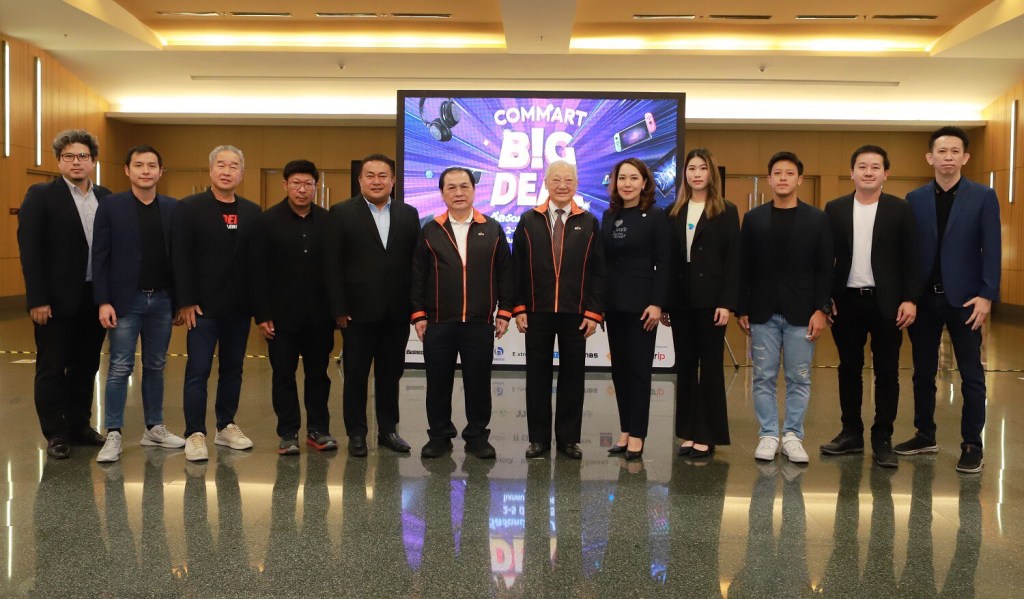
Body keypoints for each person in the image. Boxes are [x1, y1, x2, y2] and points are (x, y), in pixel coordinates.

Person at [896, 126, 1001, 474]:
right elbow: (910, 253)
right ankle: (924, 434)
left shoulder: (983, 196)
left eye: (955, 151)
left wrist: (987, 295)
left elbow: (992, 249)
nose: (948, 157)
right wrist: (908, 296)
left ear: (965, 157)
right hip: (925, 299)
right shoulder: (915, 198)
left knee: (972, 375)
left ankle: (972, 445)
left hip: (967, 300)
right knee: (923, 373)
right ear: (930, 157)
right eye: (942, 151)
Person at [821, 145, 919, 468]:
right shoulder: (835, 208)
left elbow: (912, 258)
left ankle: (883, 437)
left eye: (875, 167)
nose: (868, 172)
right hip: (846, 301)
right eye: (862, 166)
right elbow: (825, 259)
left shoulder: (900, 210)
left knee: (887, 372)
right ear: (852, 172)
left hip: (887, 303)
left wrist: (910, 299)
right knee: (848, 369)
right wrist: (825, 299)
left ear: (885, 174)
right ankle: (851, 432)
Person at [18, 129, 111, 459]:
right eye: (68, 156)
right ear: (59, 161)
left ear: (93, 161)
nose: (76, 162)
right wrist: (37, 299)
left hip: (95, 298)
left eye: (82, 156)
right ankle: (56, 433)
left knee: (86, 366)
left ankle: (79, 426)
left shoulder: (106, 197)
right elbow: (30, 251)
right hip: (55, 301)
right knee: (52, 368)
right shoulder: (41, 195)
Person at [411, 166, 514, 460]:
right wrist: (418, 314)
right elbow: (418, 276)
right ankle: (439, 436)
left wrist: (504, 312)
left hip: (479, 322)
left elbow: (505, 273)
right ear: (442, 193)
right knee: (438, 382)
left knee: (478, 383)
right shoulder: (430, 230)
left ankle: (477, 437)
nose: (458, 193)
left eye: (464, 186)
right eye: (451, 187)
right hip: (439, 322)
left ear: (474, 190)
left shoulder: (492, 228)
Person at [92, 145, 187, 463]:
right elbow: (100, 256)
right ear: (127, 170)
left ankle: (154, 428)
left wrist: (179, 301)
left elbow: (179, 258)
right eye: (138, 165)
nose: (145, 171)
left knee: (156, 365)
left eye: (151, 165)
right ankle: (113, 433)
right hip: (125, 300)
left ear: (161, 171)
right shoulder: (111, 206)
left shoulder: (173, 208)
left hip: (161, 299)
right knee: (120, 366)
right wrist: (103, 301)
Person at [737, 151, 833, 464]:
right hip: (762, 311)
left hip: (802, 312)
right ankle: (768, 434)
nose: (783, 178)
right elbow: (744, 266)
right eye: (777, 173)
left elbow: (824, 269)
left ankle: (792, 436)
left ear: (799, 179)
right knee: (762, 377)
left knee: (799, 377)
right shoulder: (753, 218)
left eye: (789, 173)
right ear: (769, 179)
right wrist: (742, 307)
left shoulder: (817, 219)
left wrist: (821, 309)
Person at [325, 154, 421, 457]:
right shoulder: (341, 213)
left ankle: (388, 430)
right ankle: (357, 433)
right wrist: (338, 308)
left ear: (392, 180)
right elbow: (332, 265)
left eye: (383, 176)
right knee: (355, 375)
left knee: (391, 375)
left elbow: (415, 264)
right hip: (356, 312)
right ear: (360, 180)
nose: (376, 181)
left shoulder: (408, 214)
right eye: (370, 175)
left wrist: (415, 306)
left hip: (396, 311)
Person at [172, 145, 261, 461]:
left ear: (242, 173)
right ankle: (194, 433)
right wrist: (185, 301)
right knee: (198, 370)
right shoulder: (189, 207)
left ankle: (226, 425)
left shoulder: (252, 211)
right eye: (221, 165)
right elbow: (180, 256)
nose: (227, 171)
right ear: (210, 170)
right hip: (202, 308)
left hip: (238, 307)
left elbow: (255, 262)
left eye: (233, 166)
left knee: (233, 370)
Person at [512, 159, 605, 460]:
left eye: (568, 180)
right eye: (556, 180)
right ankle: (538, 439)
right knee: (536, 377)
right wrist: (518, 307)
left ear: (576, 185)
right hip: (536, 312)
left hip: (576, 313)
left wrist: (593, 312)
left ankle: (568, 440)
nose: (562, 185)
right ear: (546, 183)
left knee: (573, 377)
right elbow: (517, 267)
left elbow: (598, 271)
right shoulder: (528, 220)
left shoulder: (589, 222)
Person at [250, 160, 336, 456]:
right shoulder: (266, 221)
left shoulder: (328, 221)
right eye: (296, 183)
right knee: (283, 375)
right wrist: (262, 314)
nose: (302, 189)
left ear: (316, 187)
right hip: (280, 318)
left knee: (318, 375)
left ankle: (318, 430)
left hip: (319, 316)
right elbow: (257, 273)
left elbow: (335, 270)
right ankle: (287, 433)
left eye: (308, 184)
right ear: (285, 185)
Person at [663, 148, 740, 460]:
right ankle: (689, 432)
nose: (696, 174)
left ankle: (708, 435)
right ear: (684, 174)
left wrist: (727, 302)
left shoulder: (726, 211)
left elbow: (733, 260)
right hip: (681, 301)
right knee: (684, 367)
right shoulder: (674, 211)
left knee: (710, 368)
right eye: (691, 168)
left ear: (712, 173)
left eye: (702, 168)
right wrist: (665, 302)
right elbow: (668, 262)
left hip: (712, 302)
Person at [600, 158, 671, 460]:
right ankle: (625, 430)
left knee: (640, 371)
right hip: (613, 304)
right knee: (620, 371)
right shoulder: (609, 215)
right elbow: (603, 262)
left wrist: (657, 303)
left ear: (644, 183)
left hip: (643, 306)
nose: (626, 183)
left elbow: (664, 263)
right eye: (621, 178)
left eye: (633, 178)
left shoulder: (656, 216)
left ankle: (638, 435)